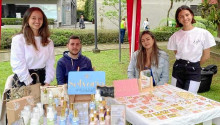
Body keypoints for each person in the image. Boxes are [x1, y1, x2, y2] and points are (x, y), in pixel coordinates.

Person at [167, 5, 216, 93]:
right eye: (181, 16)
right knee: (175, 95)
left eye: (187, 15)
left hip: (194, 70)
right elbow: (177, 53)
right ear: (178, 19)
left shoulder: (203, 34)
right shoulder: (175, 36)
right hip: (178, 69)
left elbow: (206, 55)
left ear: (192, 15)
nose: (185, 18)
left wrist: (195, 65)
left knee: (190, 97)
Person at [10, 7, 55, 87]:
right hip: (23, 81)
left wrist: (47, 82)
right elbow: (18, 64)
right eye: (33, 18)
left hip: (42, 80)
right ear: (27, 20)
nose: (37, 21)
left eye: (40, 18)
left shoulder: (48, 42)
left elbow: (50, 64)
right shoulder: (19, 39)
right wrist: (28, 82)